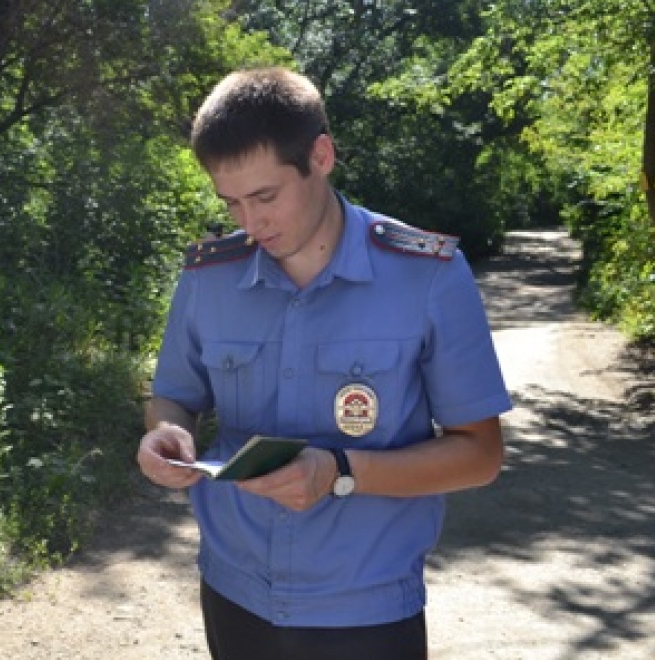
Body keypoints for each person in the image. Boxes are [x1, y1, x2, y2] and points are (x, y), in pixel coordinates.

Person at [136, 67, 512, 660]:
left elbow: (480, 454)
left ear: (321, 155)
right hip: (233, 591)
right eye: (230, 202)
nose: (249, 222)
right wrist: (167, 432)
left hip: (366, 608)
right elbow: (175, 395)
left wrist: (339, 470)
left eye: (265, 196)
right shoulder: (208, 278)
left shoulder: (427, 275)